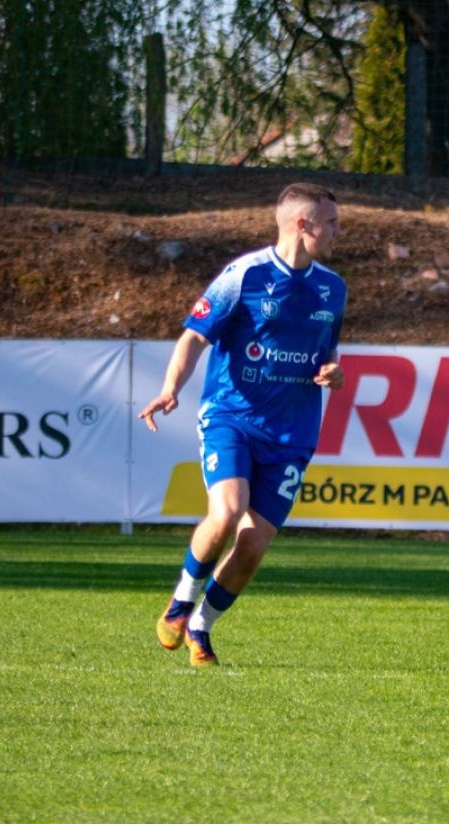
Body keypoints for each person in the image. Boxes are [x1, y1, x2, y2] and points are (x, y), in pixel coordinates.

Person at [139, 183, 347, 664]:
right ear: (303, 224)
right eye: (332, 222)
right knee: (228, 511)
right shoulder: (243, 276)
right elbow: (194, 336)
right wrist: (172, 387)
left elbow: (327, 351)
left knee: (252, 544)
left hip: (292, 434)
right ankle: (181, 600)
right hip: (231, 417)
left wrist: (334, 372)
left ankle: (201, 626)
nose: (339, 231)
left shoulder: (333, 288)